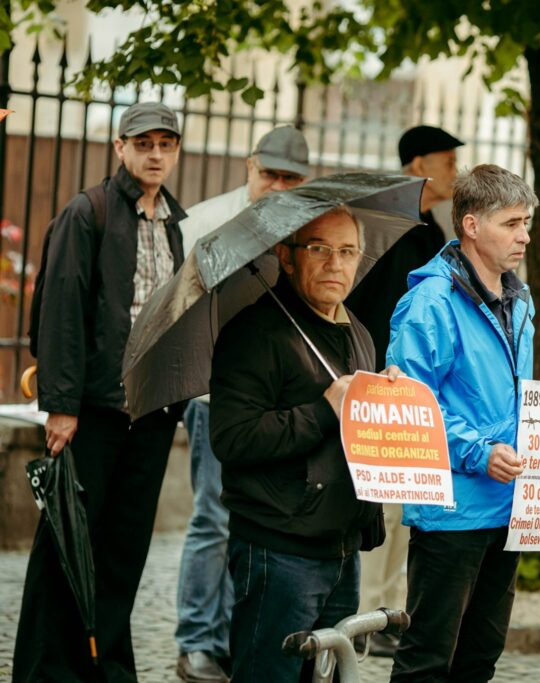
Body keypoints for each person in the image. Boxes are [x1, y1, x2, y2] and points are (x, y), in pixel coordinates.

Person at [386, 164, 540, 682]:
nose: (525, 236)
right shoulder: (430, 301)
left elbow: (512, 401)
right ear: (471, 225)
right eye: (512, 223)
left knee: (480, 657)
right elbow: (411, 404)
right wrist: (479, 451)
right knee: (427, 659)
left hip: (507, 507)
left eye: (526, 223)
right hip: (451, 510)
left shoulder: (519, 298)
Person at [14, 101, 188, 682]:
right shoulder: (87, 212)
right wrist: (61, 408)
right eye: (144, 144)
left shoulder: (175, 223)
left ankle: (105, 668)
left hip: (152, 414)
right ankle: (48, 671)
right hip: (93, 412)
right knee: (67, 545)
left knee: (123, 552)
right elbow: (59, 313)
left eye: (165, 144)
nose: (155, 154)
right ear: (120, 147)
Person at [209, 206, 392, 682]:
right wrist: (324, 409)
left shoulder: (359, 332)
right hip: (279, 550)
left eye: (347, 251)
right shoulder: (253, 332)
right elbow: (232, 438)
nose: (335, 263)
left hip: (342, 548)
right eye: (319, 249)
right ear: (286, 257)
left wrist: (388, 399)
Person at [174, 125, 309, 683]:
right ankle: (196, 641)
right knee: (213, 516)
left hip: (279, 404)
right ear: (249, 167)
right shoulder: (205, 223)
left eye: (290, 178)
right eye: (269, 173)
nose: (277, 186)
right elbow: (180, 312)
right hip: (216, 395)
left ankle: (233, 636)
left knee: (256, 521)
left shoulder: (307, 227)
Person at [345, 124, 463, 657]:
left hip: (416, 388)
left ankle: (390, 613)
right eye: (447, 161)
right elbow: (371, 308)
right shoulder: (389, 227)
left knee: (404, 506)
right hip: (384, 384)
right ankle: (367, 617)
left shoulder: (430, 229)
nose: (455, 172)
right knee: (384, 507)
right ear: (418, 166)